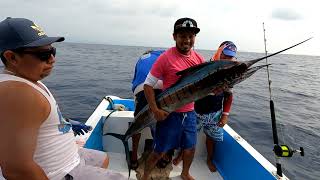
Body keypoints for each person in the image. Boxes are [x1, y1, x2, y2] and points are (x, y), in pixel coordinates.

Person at [0, 17, 126, 180]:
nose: (53, 59)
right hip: (58, 172)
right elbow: (18, 169)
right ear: (12, 58)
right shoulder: (19, 93)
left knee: (104, 158)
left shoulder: (26, 80)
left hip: (67, 156)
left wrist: (64, 122)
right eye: (43, 54)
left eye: (52, 51)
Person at [142, 17, 205, 180]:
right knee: (159, 151)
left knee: (190, 148)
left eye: (191, 36)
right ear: (174, 36)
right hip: (169, 114)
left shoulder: (199, 59)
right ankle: (144, 176)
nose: (187, 40)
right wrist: (155, 110)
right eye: (183, 36)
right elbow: (148, 85)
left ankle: (185, 173)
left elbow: (204, 88)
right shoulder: (165, 57)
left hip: (190, 113)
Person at [173, 41, 237, 172]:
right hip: (195, 110)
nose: (226, 59)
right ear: (219, 51)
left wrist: (225, 115)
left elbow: (229, 96)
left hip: (215, 113)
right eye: (224, 55)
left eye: (230, 57)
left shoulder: (230, 72)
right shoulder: (205, 65)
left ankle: (209, 159)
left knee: (211, 138)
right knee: (188, 136)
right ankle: (180, 155)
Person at [130, 49, 164, 169]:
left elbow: (134, 81)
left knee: (137, 125)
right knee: (159, 125)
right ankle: (159, 158)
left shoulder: (141, 59)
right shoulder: (164, 55)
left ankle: (133, 158)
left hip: (141, 89)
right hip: (161, 88)